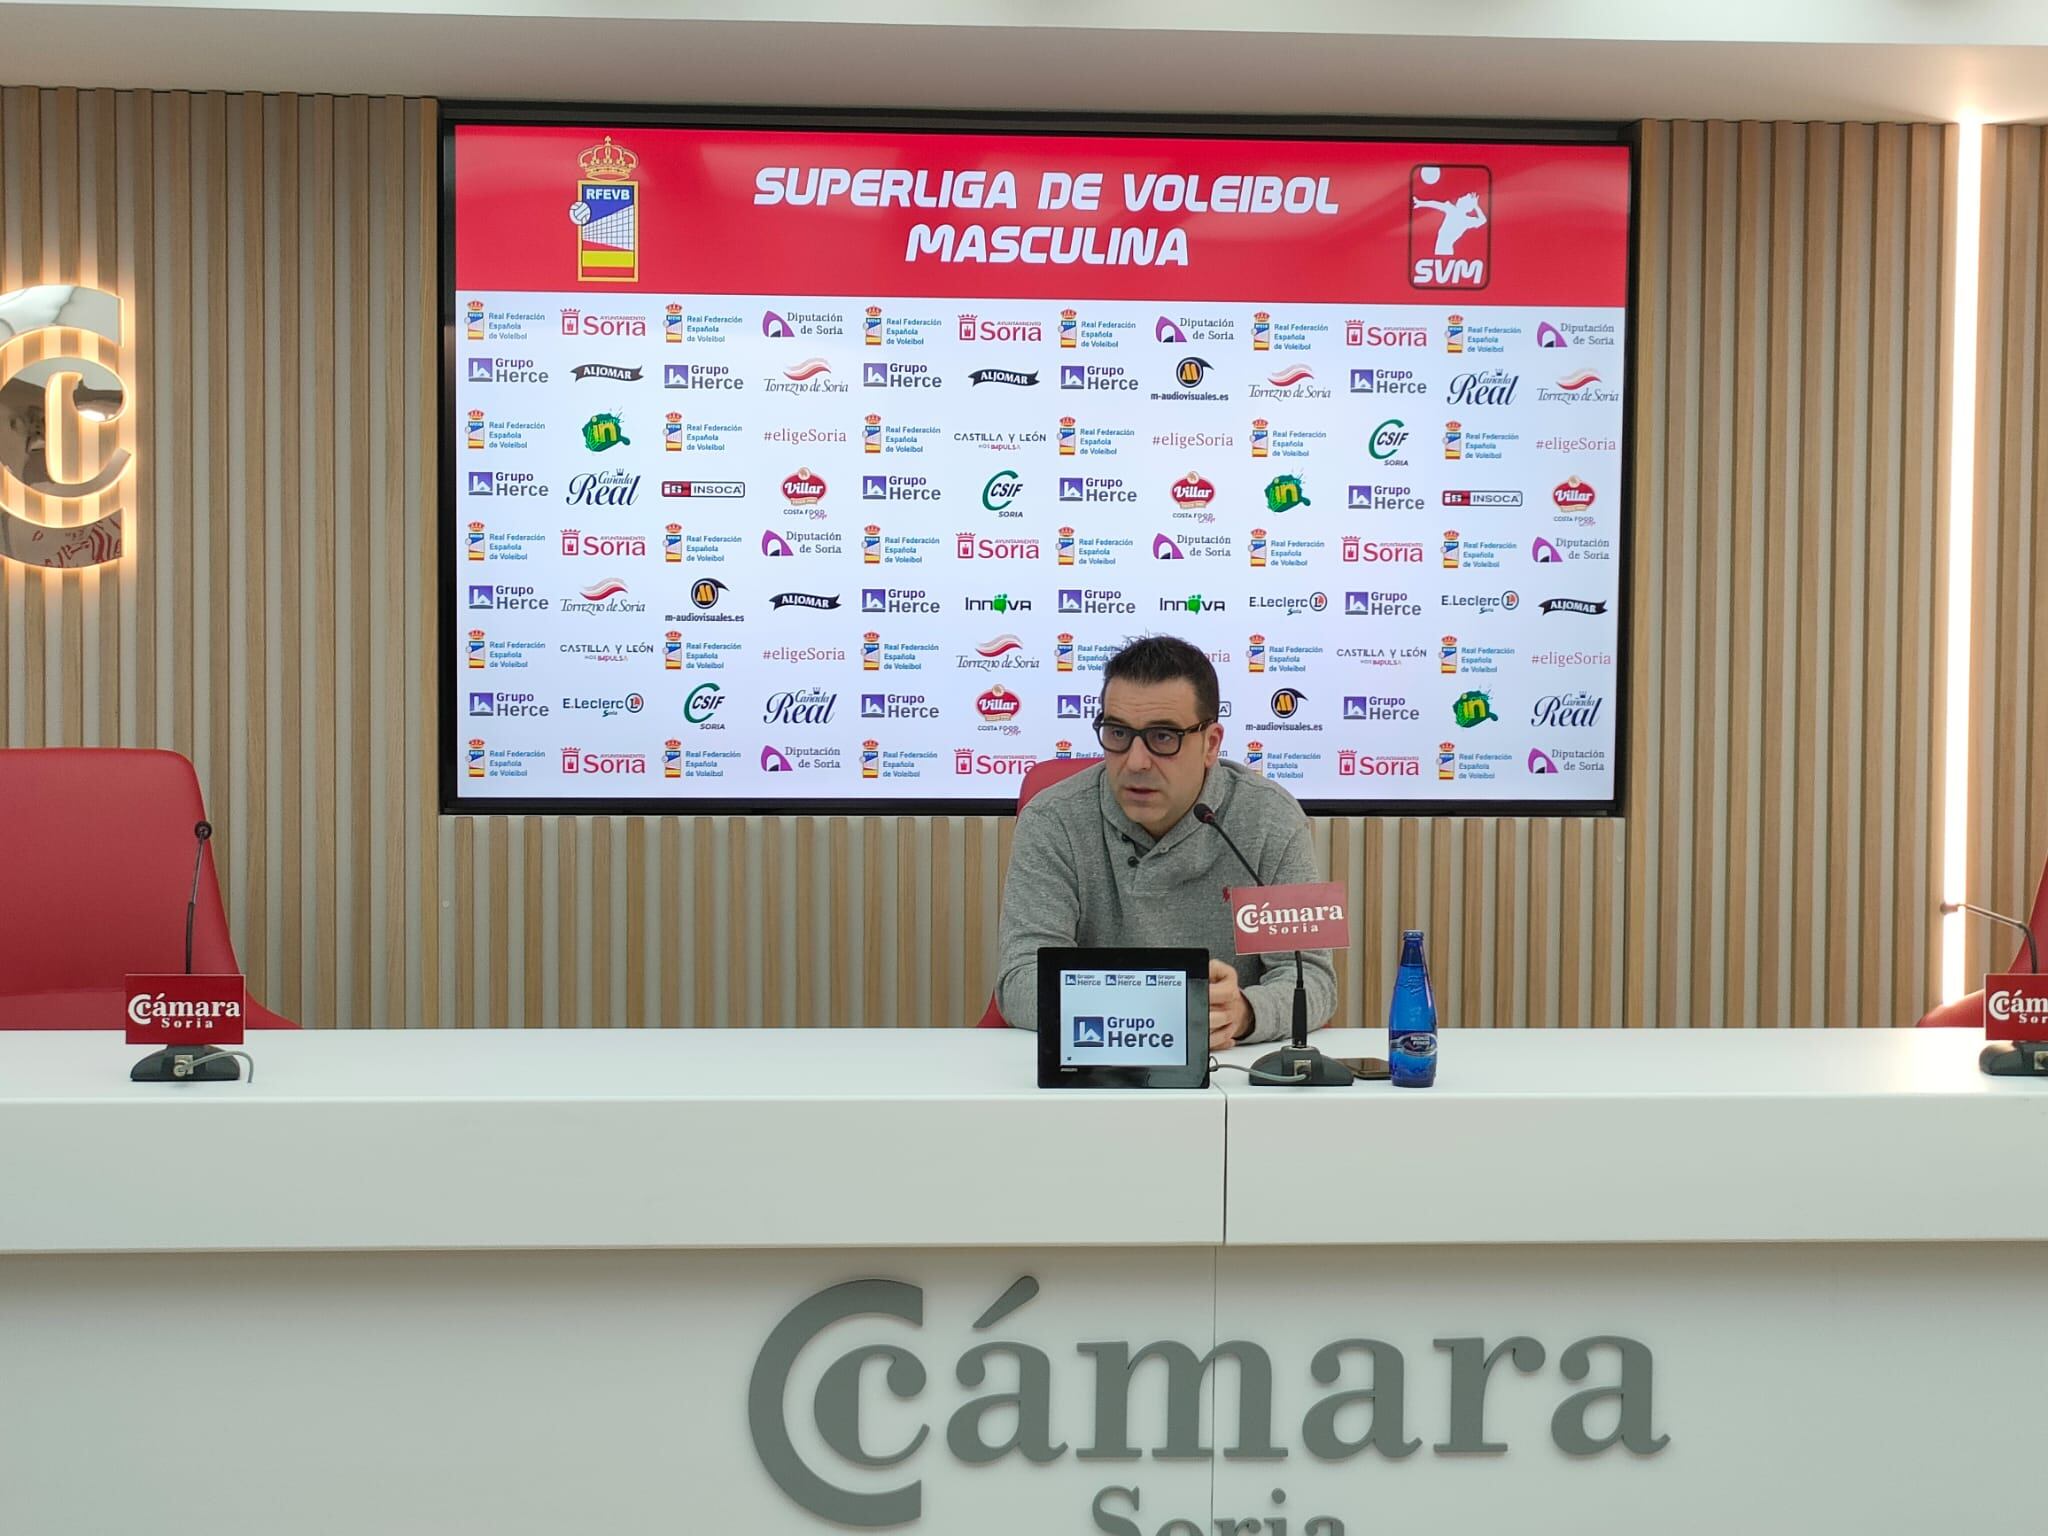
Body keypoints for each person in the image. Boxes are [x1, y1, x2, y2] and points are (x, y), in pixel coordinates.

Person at [995, 634, 1337, 1048]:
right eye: (1118, 733)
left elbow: (1311, 979)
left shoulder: (1271, 817)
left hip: (1228, 1068)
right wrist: (1161, 1013)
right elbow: (1020, 981)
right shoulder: (1053, 819)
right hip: (1090, 1061)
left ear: (1210, 744)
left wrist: (1243, 1013)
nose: (1136, 762)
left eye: (1162, 737)